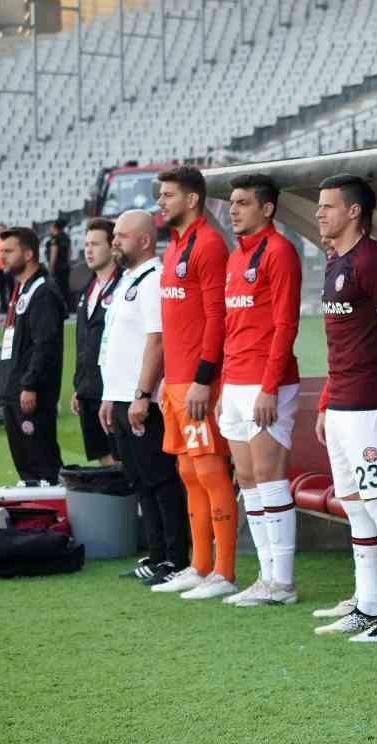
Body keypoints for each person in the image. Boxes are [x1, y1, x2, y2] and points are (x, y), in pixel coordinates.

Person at [309, 173, 377, 641]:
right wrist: (327, 404)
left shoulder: (371, 261)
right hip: (343, 406)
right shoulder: (337, 262)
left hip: (372, 405)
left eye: (328, 206)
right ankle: (368, 605)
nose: (319, 214)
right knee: (355, 506)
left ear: (354, 211)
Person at [153, 164, 238, 601]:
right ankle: (200, 564)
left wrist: (205, 379)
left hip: (198, 383)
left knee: (209, 470)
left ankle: (224, 571)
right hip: (176, 382)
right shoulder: (175, 247)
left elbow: (216, 318)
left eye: (168, 195)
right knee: (188, 472)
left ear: (191, 199)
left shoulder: (207, 244)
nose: (160, 202)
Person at [218, 173, 303, 607]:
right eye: (232, 203)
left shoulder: (280, 252)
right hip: (234, 382)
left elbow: (286, 324)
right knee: (248, 479)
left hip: (266, 383)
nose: (233, 209)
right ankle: (266, 576)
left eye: (243, 203)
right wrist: (223, 386)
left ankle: (283, 582)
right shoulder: (236, 258)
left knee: (270, 478)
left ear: (267, 208)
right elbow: (233, 326)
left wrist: (268, 386)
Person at [95, 210, 190, 588]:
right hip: (119, 397)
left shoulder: (153, 279)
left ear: (145, 240)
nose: (114, 241)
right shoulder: (127, 280)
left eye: (121, 235)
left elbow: (157, 340)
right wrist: (108, 396)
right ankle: (155, 554)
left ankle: (176, 557)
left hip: (142, 400)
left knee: (160, 480)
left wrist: (141, 394)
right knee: (140, 482)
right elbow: (116, 343)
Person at [0, 226, 66, 484]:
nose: (1, 256)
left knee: (43, 464)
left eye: (8, 251)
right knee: (27, 468)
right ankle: (36, 521)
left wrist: (30, 384)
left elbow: (44, 343)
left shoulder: (43, 291)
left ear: (27, 255)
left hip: (30, 393)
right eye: (1, 251)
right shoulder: (23, 289)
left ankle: (58, 520)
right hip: (14, 390)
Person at [72, 218, 119, 467]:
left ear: (113, 246)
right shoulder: (87, 290)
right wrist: (79, 385)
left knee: (121, 458)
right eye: (86, 244)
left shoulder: (124, 285)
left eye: (95, 244)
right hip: (89, 390)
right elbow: (82, 341)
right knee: (103, 458)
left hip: (113, 390)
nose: (88, 250)